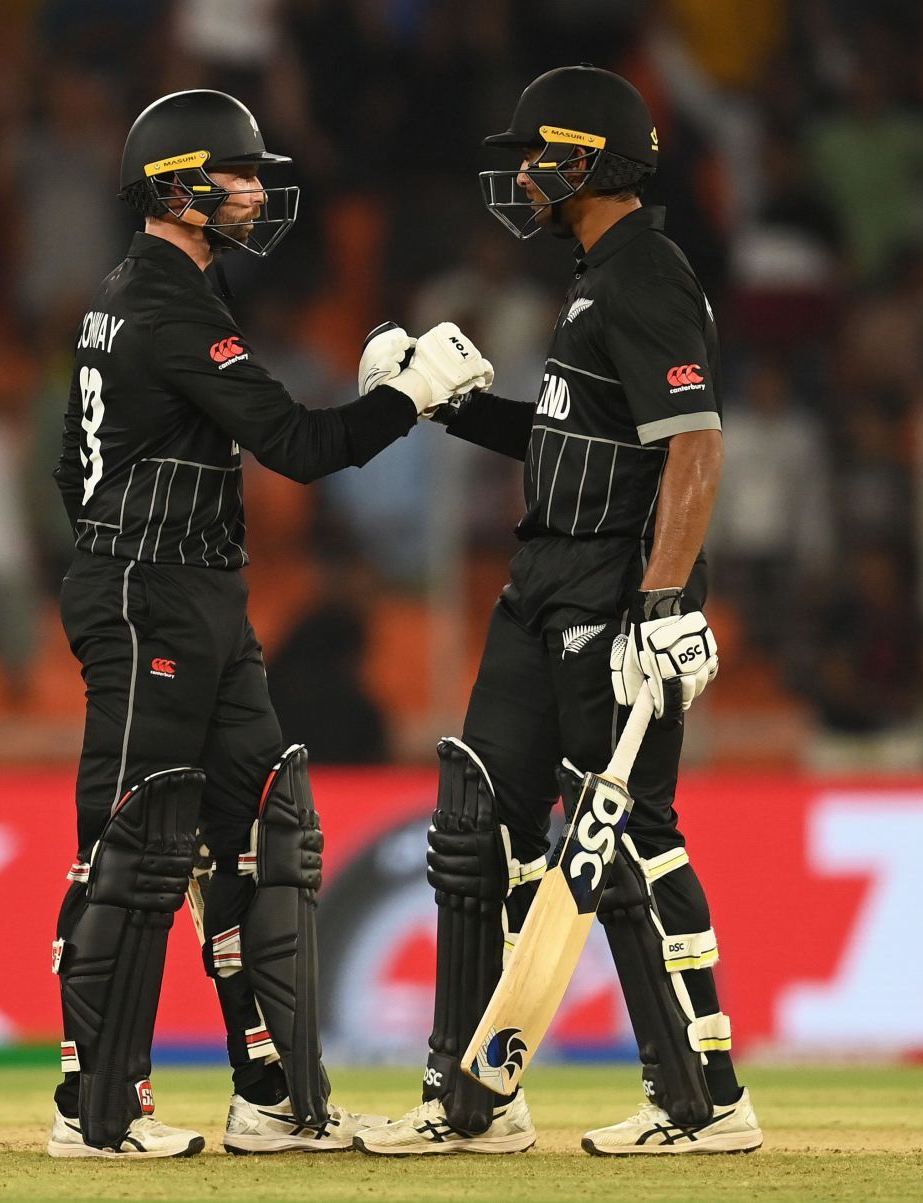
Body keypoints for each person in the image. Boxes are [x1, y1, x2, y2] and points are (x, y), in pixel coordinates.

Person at [46, 88, 492, 1159]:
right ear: (183, 187)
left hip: (188, 591)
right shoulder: (167, 304)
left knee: (267, 827)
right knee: (134, 841)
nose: (256, 191)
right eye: (238, 174)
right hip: (154, 592)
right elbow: (297, 445)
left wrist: (136, 550)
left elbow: (75, 462)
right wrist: (415, 400)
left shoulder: (141, 294)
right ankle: (94, 1113)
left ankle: (276, 1094)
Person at [358, 65, 761, 1157]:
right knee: (476, 819)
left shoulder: (647, 276)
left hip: (613, 590)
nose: (520, 173)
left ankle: (704, 1101)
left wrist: (665, 602)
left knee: (628, 839)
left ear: (586, 160)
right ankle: (472, 1098)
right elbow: (571, 442)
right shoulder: (597, 279)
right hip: (543, 583)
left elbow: (695, 444)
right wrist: (451, 407)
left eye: (536, 153)